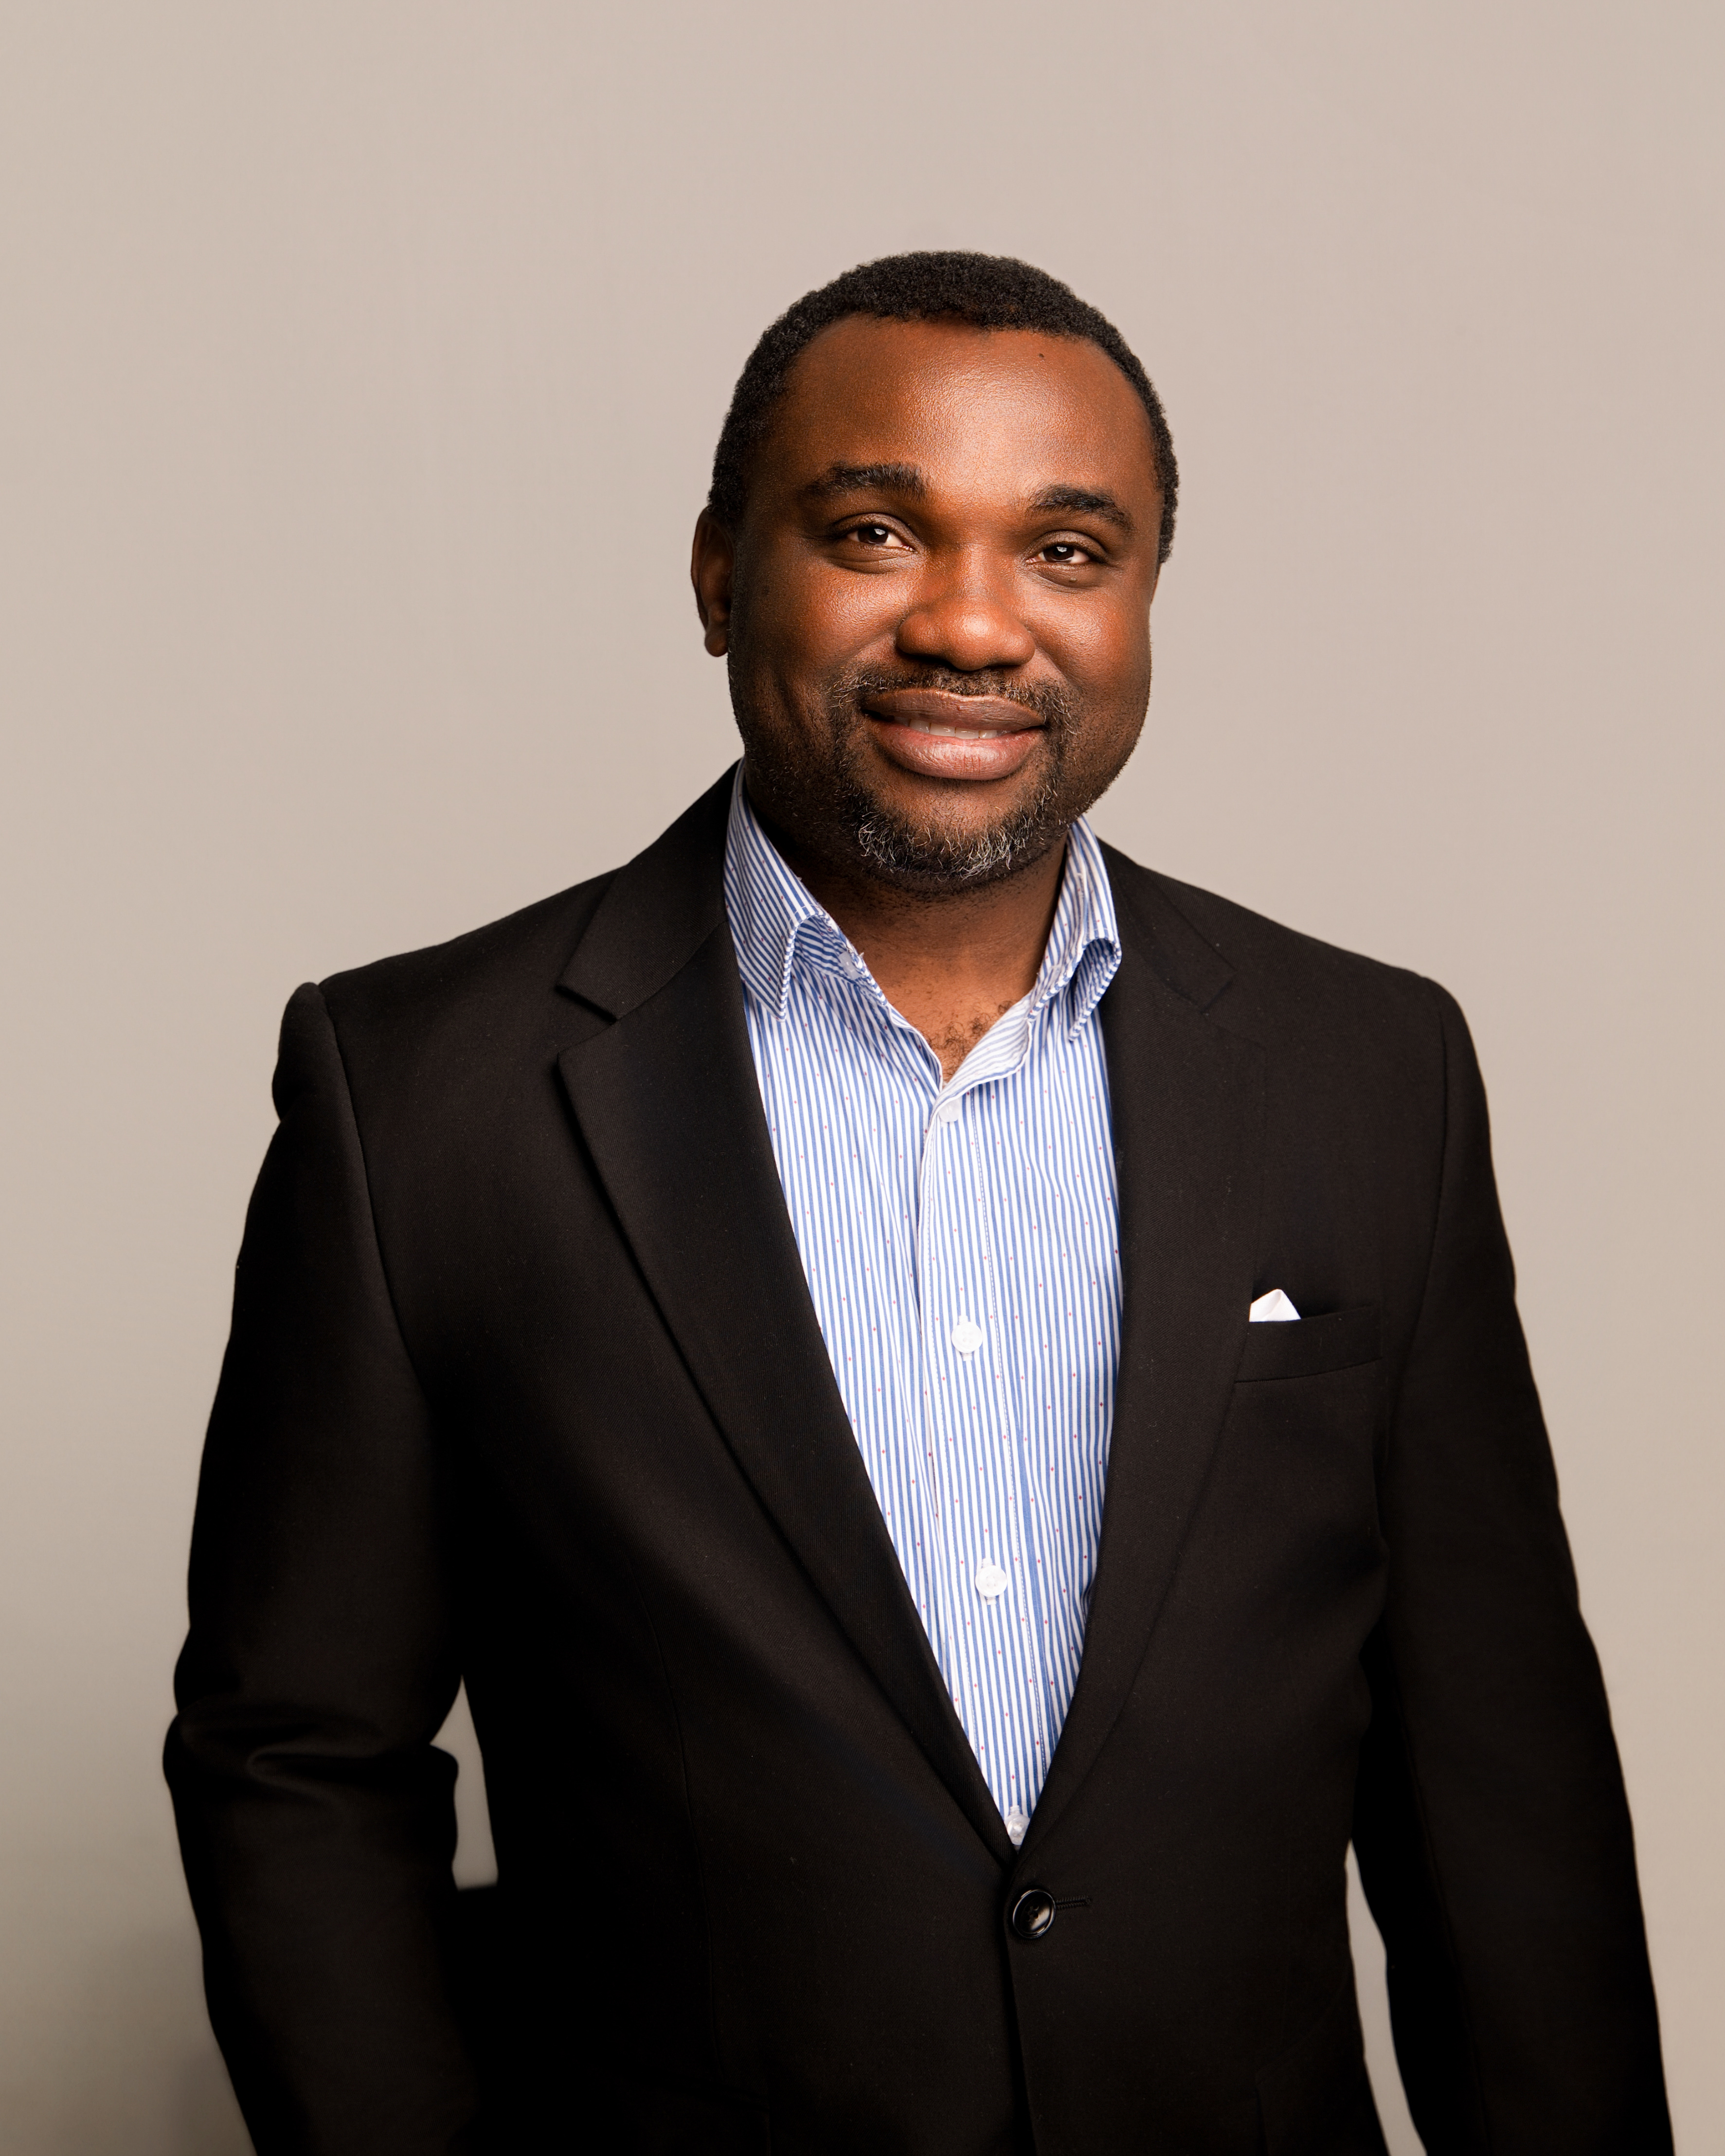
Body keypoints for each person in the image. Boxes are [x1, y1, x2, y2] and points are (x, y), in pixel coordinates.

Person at [166, 252, 1669, 2156]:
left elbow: (1496, 1770)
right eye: (875, 531)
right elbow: (296, 1758)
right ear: (719, 573)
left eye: (1065, 550)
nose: (970, 624)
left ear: (1140, 601)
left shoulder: (1367, 1070)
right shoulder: (415, 1097)